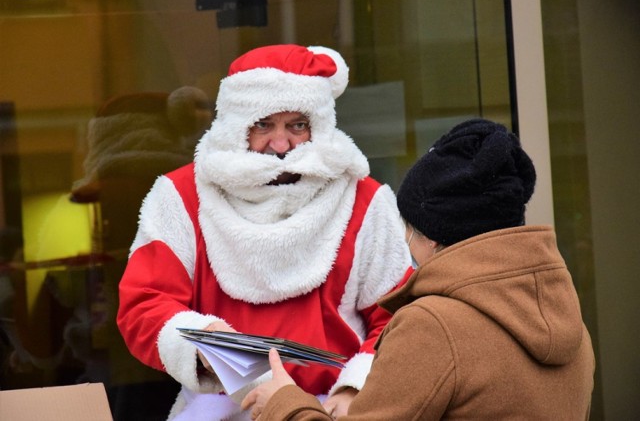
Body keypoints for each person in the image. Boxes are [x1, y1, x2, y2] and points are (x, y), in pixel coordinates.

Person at [116, 44, 412, 421]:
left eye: (297, 125)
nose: (281, 144)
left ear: (318, 126)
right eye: (263, 124)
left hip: (334, 410)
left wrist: (357, 387)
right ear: (237, 126)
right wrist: (202, 337)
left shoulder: (365, 199)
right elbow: (144, 303)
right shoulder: (181, 197)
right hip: (221, 409)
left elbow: (400, 315)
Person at [241, 118, 596, 420]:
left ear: (432, 236)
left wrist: (284, 404)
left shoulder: (433, 326)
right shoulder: (567, 317)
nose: (404, 241)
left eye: (407, 228)